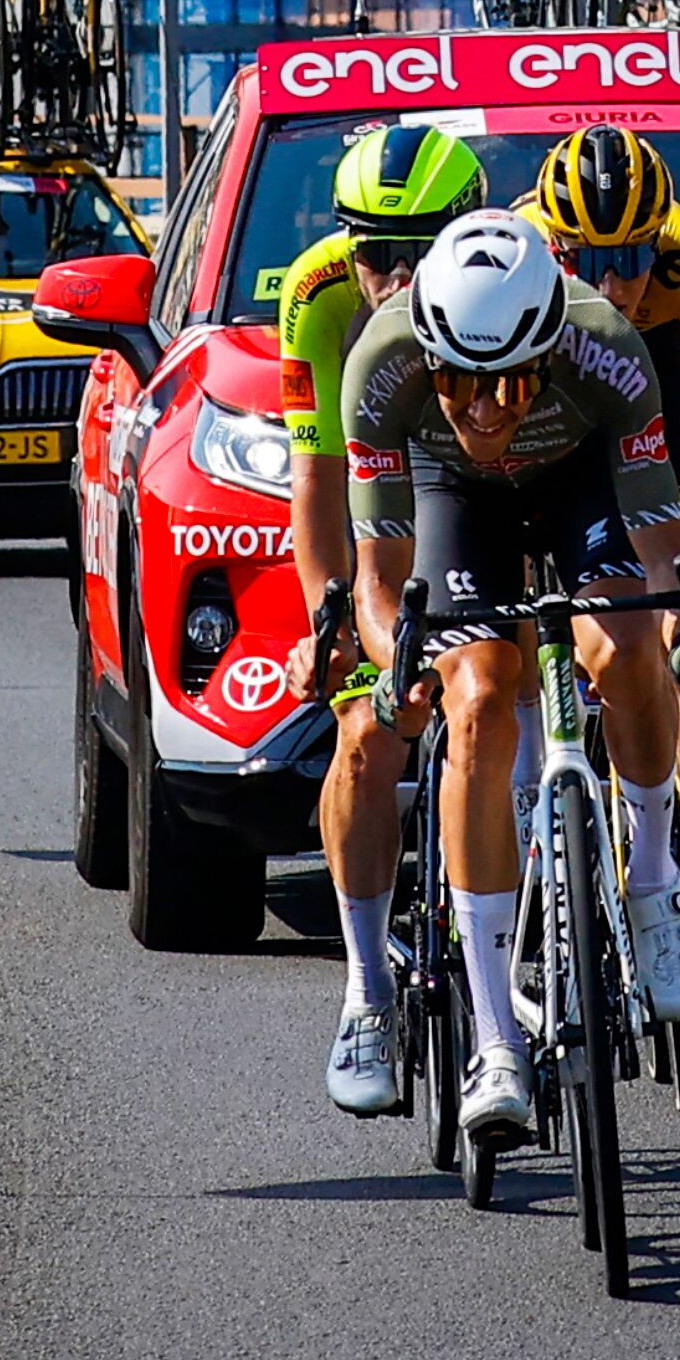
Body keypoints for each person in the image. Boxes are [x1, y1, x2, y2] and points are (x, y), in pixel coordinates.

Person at [341, 210, 680, 1155]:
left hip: (579, 472)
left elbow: (665, 548)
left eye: (507, 383)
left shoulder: (608, 349)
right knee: (474, 701)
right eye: (457, 383)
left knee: (627, 644)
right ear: (427, 354)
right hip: (450, 496)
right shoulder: (381, 367)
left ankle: (655, 881)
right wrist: (401, 670)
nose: (484, 411)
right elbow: (381, 588)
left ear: (548, 349)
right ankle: (497, 1043)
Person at [526, 121, 680, 1028]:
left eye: (634, 252)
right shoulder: (518, 259)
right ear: (554, 243)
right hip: (550, 418)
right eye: (592, 256)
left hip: (656, 409)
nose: (615, 280)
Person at [273, 119, 481, 1116]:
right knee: (364, 736)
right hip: (377, 507)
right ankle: (365, 985)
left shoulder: (507, 272)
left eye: (416, 251)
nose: (392, 277)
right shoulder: (315, 295)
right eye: (373, 253)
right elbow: (316, 483)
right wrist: (331, 613)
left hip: (487, 493)